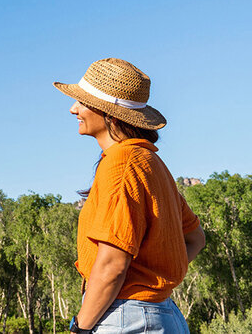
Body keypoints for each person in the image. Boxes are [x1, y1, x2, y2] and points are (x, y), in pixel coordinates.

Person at [54, 58, 207, 333]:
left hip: (127, 318)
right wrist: (153, 276)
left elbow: (112, 264)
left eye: (82, 101)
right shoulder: (150, 163)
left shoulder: (122, 164)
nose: (73, 108)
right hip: (162, 315)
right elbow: (195, 238)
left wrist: (80, 327)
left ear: (109, 113)